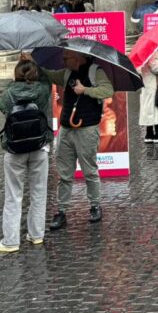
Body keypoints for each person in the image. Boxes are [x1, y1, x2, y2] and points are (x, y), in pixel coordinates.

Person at [38, 50, 113, 229]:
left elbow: (108, 90)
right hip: (66, 130)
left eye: (66, 58)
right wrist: (34, 63)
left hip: (87, 130)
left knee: (90, 171)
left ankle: (95, 206)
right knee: (64, 174)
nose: (63, 61)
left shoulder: (96, 71)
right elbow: (49, 75)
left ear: (78, 58)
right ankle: (61, 211)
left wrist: (84, 90)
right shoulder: (67, 73)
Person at [0, 60, 52, 254]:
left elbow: (2, 107)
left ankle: (11, 241)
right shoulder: (44, 90)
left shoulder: (8, 93)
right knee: (39, 192)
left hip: (14, 148)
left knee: (13, 195)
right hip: (39, 146)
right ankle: (36, 235)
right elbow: (46, 80)